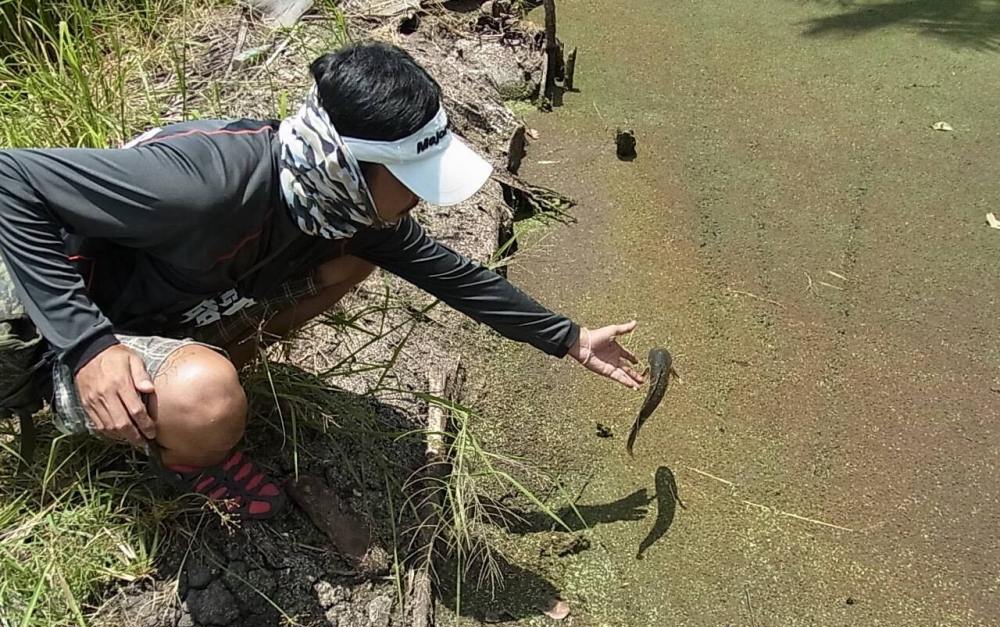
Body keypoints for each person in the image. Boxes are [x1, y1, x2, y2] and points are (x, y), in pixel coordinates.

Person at [0, 41, 644, 519]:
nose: (420, 202)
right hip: (54, 321)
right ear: (348, 165)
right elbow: (12, 180)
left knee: (351, 262)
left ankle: (191, 391)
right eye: (412, 184)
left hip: (163, 313)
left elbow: (453, 276)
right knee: (209, 399)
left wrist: (571, 339)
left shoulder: (340, 209)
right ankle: (184, 435)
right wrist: (87, 347)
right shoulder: (204, 185)